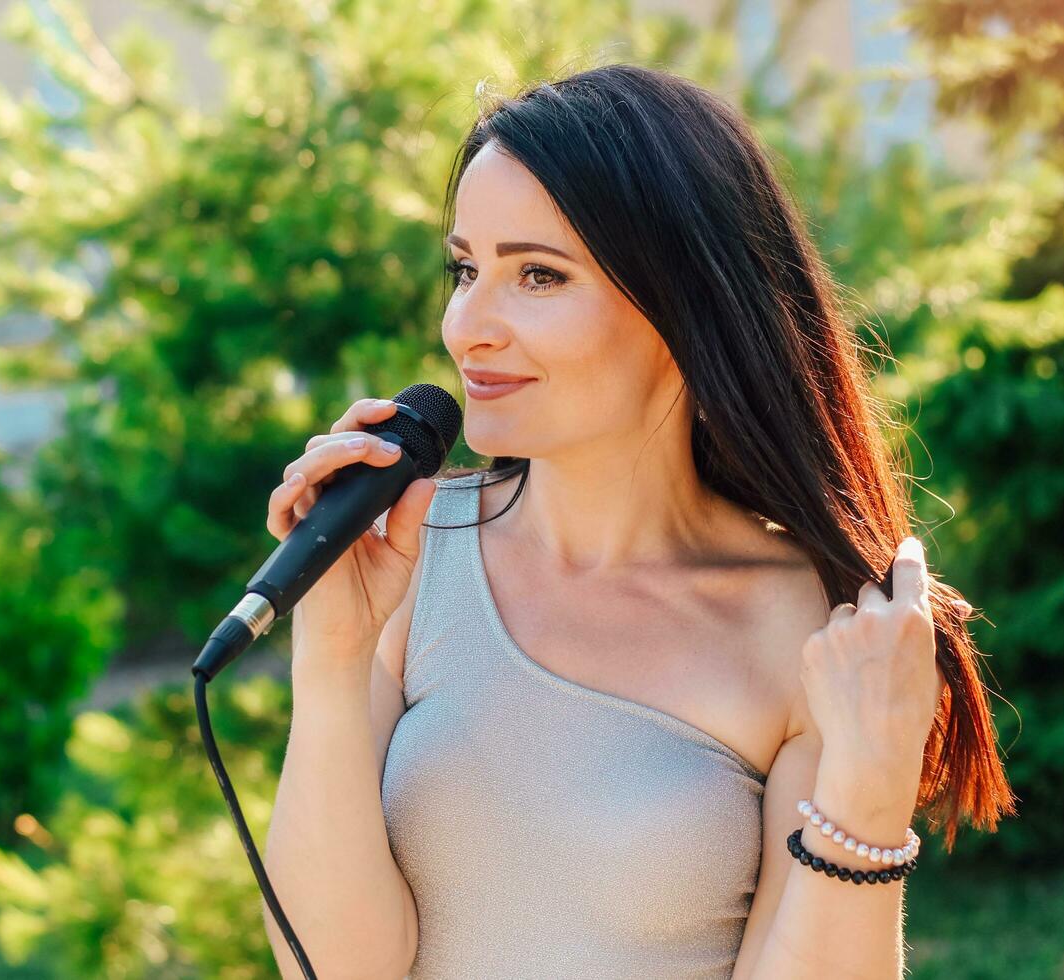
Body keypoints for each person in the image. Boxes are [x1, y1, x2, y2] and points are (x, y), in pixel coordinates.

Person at [258, 63, 1015, 980]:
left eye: (537, 274)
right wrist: (332, 663)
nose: (468, 325)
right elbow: (329, 970)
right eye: (465, 269)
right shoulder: (409, 560)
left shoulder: (817, 632)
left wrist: (870, 788)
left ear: (683, 305)